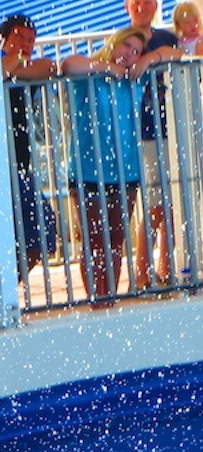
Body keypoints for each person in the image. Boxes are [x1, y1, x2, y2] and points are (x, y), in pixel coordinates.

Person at [61, 27, 149, 301]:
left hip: (126, 170)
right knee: (95, 240)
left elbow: (177, 54)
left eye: (136, 52)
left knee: (117, 241)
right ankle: (97, 298)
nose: (130, 55)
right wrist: (105, 66)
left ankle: (109, 294)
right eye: (127, 47)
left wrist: (148, 60)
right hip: (89, 170)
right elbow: (67, 64)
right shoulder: (91, 73)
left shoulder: (134, 77)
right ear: (114, 44)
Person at [125, 0, 184, 287]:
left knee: (170, 201)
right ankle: (142, 269)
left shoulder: (166, 37)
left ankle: (164, 265)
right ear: (127, 6)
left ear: (156, 5)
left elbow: (175, 53)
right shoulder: (122, 40)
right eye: (136, 3)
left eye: (147, 2)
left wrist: (150, 58)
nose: (142, 8)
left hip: (170, 128)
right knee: (151, 204)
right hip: (142, 130)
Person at [2, 14, 58, 277]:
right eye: (19, 37)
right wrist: (14, 67)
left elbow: (49, 68)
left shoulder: (22, 67)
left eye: (31, 40)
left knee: (43, 235)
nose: (26, 43)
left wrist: (17, 66)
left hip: (20, 165)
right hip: (6, 166)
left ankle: (8, 289)